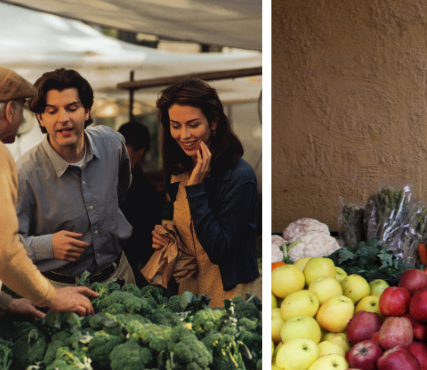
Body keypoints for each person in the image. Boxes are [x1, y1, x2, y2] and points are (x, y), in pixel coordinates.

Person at [0, 66, 98, 370]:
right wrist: (50, 296)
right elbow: (1, 253)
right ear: (10, 110)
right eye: (23, 108)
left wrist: (8, 302)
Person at [16, 68, 136, 288]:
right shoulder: (24, 175)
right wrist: (48, 245)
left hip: (120, 277)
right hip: (61, 289)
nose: (64, 119)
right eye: (52, 111)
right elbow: (5, 244)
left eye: (72, 108)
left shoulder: (113, 144)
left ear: (87, 111)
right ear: (40, 118)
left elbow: (120, 192)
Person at [152, 78, 260, 306]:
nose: (184, 135)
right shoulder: (177, 171)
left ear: (213, 122)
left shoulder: (240, 177)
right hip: (188, 292)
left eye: (193, 124)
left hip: (230, 296)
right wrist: (169, 239)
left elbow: (219, 250)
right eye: (175, 125)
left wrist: (196, 189)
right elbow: (191, 232)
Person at [117, 121, 162, 286]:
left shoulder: (98, 176)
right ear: (141, 151)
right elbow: (148, 244)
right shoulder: (145, 189)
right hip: (128, 268)